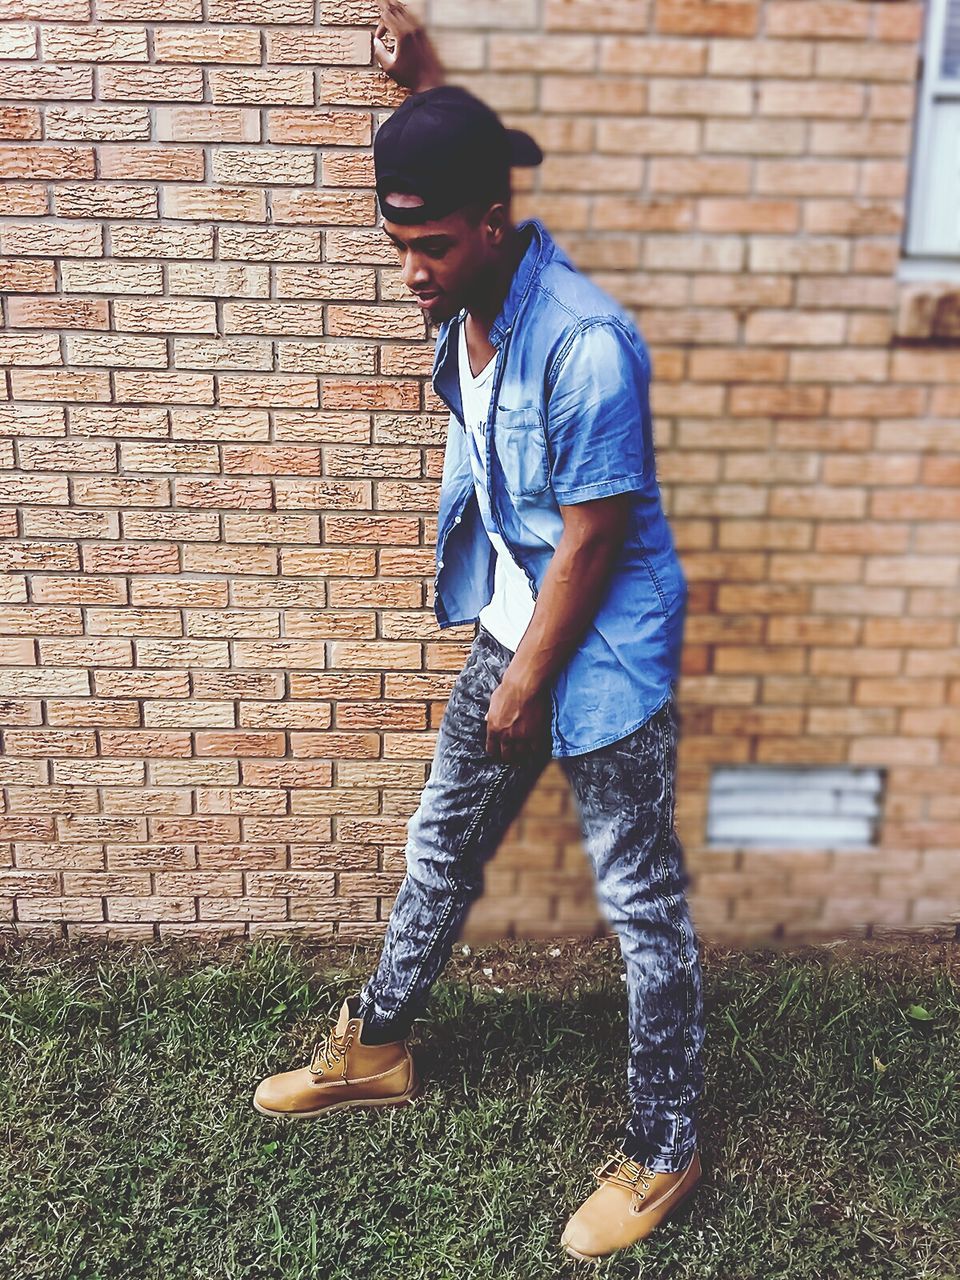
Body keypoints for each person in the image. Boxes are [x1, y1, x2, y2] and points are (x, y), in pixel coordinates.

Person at [254, 0, 706, 1262]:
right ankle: (380, 1043)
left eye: (431, 247)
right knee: (440, 845)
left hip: (599, 653)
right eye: (398, 243)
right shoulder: (469, 274)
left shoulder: (587, 346)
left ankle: (666, 1141)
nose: (411, 272)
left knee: (641, 904)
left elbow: (595, 539)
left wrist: (525, 689)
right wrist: (427, 79)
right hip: (516, 622)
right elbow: (454, 172)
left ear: (492, 230)